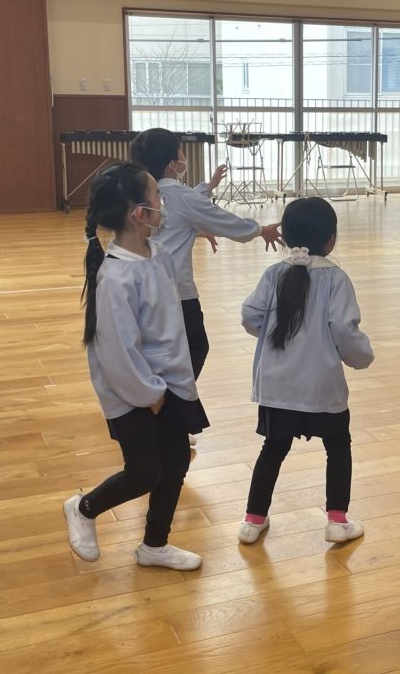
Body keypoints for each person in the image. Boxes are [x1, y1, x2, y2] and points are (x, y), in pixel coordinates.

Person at [63, 162, 209, 571]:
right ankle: (84, 508)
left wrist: (170, 384)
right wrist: (149, 394)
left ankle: (154, 545)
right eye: (157, 196)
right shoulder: (115, 278)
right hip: (135, 392)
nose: (163, 202)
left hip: (168, 383)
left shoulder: (157, 255)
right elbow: (117, 352)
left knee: (176, 463)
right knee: (144, 472)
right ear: (139, 214)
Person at [237, 197, 374, 544]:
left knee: (273, 449)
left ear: (286, 236)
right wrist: (362, 357)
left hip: (277, 388)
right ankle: (337, 520)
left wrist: (270, 332)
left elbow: (250, 315)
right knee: (338, 447)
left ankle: (253, 520)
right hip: (321, 387)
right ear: (331, 239)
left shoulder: (274, 274)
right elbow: (344, 330)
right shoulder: (336, 278)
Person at [130, 127, 281, 380]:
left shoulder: (138, 192)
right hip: (176, 293)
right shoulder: (180, 196)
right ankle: (170, 396)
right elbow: (224, 221)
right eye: (181, 153)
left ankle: (156, 391)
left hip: (139, 288)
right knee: (195, 347)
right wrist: (260, 229)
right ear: (172, 164)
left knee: (156, 349)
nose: (184, 158)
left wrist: (204, 203)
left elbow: (174, 220)